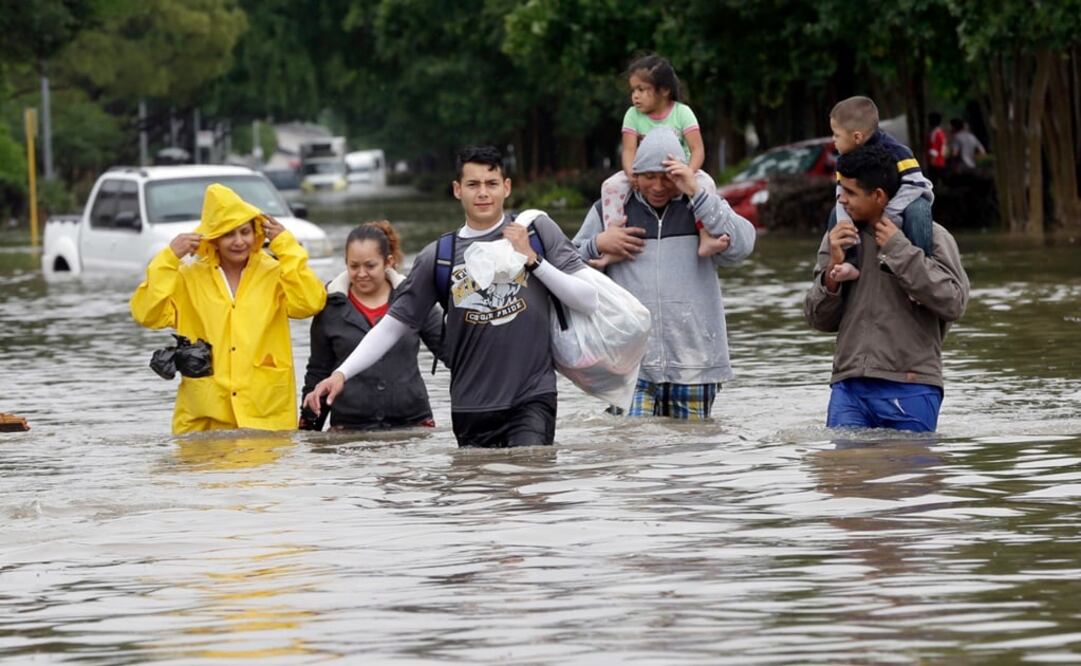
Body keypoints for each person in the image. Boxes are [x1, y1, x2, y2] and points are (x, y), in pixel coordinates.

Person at [304, 145, 600, 448]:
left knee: (530, 470)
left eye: (491, 183)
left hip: (532, 396)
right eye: (473, 184)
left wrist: (533, 260)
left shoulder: (537, 232)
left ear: (507, 187)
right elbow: (393, 326)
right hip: (471, 406)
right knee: (475, 478)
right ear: (458, 190)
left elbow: (589, 300)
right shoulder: (439, 256)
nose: (483, 193)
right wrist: (341, 374)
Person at [573, 126, 756, 419]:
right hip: (630, 366)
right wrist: (598, 244)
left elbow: (743, 246)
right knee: (633, 444)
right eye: (649, 176)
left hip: (696, 363)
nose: (658, 186)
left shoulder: (703, 209)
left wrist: (697, 193)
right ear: (634, 176)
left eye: (667, 177)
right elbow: (567, 266)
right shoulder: (611, 212)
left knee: (691, 447)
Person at [130, 183, 326, 434]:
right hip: (204, 416)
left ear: (256, 233)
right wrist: (168, 258)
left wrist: (287, 246)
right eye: (228, 234)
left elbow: (310, 303)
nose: (239, 242)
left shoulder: (275, 272)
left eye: (245, 232)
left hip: (265, 414)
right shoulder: (189, 277)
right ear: (213, 237)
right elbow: (147, 314)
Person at [804, 143, 969, 432]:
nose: (841, 199)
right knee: (842, 461)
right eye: (840, 190)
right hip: (849, 385)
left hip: (912, 385)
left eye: (850, 192)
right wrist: (832, 271)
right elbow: (817, 319)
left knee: (908, 464)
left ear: (878, 195)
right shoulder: (839, 237)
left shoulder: (931, 236)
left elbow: (953, 302)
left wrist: (898, 249)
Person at [300, 221, 444, 431]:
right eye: (354, 266)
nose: (361, 274)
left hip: (413, 424)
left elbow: (451, 350)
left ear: (388, 262)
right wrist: (308, 429)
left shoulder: (413, 299)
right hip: (348, 429)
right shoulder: (329, 306)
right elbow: (318, 372)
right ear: (345, 263)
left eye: (370, 266)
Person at [595, 54, 728, 266]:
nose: (635, 96)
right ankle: (615, 238)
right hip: (643, 172)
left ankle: (705, 235)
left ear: (664, 90)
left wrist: (689, 173)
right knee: (610, 186)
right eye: (633, 91)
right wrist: (631, 173)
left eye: (641, 90)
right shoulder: (632, 115)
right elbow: (629, 150)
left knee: (707, 184)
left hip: (680, 171)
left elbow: (697, 149)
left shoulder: (682, 113)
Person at [827, 96, 934, 284]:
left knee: (918, 209)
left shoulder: (898, 152)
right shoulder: (844, 159)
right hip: (872, 213)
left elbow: (918, 185)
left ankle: (921, 269)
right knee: (836, 213)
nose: (833, 141)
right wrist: (844, 223)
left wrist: (890, 214)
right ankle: (850, 262)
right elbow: (841, 192)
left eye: (836, 135)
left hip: (905, 202)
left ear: (857, 137)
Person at [926, 111, 948, 184]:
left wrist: (932, 162)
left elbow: (933, 149)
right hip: (941, 161)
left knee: (933, 183)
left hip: (935, 162)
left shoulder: (934, 133)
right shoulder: (941, 132)